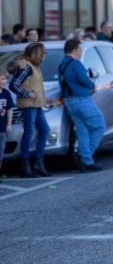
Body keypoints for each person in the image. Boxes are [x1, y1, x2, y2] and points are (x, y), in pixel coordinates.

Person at [59, 39, 106, 172]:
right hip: (82, 99)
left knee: (83, 131)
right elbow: (84, 80)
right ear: (74, 50)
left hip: (69, 101)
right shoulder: (76, 64)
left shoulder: (62, 64)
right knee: (99, 126)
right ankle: (85, 158)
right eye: (79, 49)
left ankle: (86, 161)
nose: (80, 52)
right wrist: (93, 86)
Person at [9, 43, 52, 177]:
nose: (45, 55)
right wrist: (27, 94)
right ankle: (25, 165)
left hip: (37, 105)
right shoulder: (25, 67)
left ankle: (38, 163)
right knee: (29, 132)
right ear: (37, 53)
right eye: (43, 53)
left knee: (44, 129)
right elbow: (13, 85)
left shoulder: (35, 67)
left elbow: (36, 86)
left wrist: (45, 99)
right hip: (28, 105)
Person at [0, 70, 15, 174]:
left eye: (5, 78)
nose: (5, 81)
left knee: (1, 150)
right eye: (2, 78)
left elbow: (9, 110)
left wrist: (9, 124)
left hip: (2, 127)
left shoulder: (6, 93)